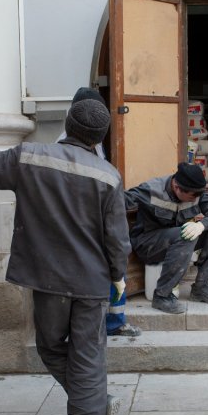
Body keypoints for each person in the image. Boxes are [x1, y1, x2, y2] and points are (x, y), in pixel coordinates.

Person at [0, 98, 129, 415]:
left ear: (67, 125)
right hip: (91, 281)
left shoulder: (29, 157)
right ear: (98, 139)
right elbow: (117, 238)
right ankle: (91, 410)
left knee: (51, 348)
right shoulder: (109, 176)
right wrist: (118, 275)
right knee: (88, 357)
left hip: (48, 280)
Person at [58, 87, 142, 338]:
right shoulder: (63, 148)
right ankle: (88, 328)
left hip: (93, 226)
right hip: (79, 229)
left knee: (116, 268)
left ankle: (114, 322)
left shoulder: (95, 146)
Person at [125, 163, 208, 314]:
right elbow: (118, 201)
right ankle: (162, 296)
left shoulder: (195, 192)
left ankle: (202, 288)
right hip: (148, 244)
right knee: (184, 234)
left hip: (177, 242)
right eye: (192, 196)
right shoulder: (151, 189)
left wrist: (202, 225)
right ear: (176, 186)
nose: (196, 199)